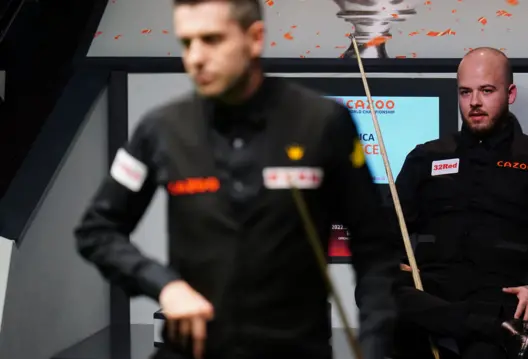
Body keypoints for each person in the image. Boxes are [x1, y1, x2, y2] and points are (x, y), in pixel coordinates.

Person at [74, 1, 398, 359]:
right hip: (191, 350)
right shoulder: (161, 130)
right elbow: (97, 230)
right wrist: (164, 286)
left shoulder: (323, 124)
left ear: (254, 38)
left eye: (211, 40)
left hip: (293, 350)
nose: (195, 57)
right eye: (187, 42)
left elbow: (375, 248)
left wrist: (375, 347)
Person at [390, 47, 528, 359]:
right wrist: (392, 258)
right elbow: (390, 223)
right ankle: (491, 328)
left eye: (486, 91)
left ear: (510, 93)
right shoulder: (427, 156)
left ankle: (490, 330)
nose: (475, 102)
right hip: (432, 293)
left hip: (500, 295)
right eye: (465, 92)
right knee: (376, 285)